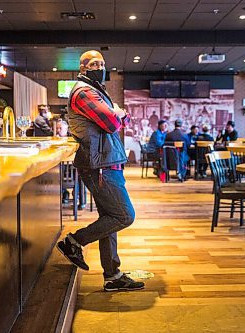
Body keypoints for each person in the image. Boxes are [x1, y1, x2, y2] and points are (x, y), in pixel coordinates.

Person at [57, 50, 144, 292]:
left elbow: (115, 122)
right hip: (99, 165)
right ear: (83, 67)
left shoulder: (94, 90)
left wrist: (118, 114)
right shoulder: (84, 92)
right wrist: (118, 113)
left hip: (105, 162)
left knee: (110, 218)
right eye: (95, 63)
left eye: (103, 63)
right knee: (124, 216)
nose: (100, 67)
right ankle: (74, 242)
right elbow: (113, 123)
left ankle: (112, 275)